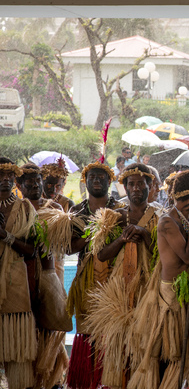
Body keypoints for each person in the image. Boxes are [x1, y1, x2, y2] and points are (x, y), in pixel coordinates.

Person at [128, 169, 189, 388]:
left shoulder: (187, 219)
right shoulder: (168, 222)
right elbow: (188, 257)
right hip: (171, 294)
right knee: (171, 350)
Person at [85, 163, 161, 388]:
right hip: (120, 287)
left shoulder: (160, 217)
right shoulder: (115, 216)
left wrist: (144, 233)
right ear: (125, 188)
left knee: (145, 340)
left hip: (148, 287)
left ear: (150, 186)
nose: (136, 188)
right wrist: (122, 239)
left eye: (141, 184)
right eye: (131, 184)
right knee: (120, 343)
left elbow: (161, 255)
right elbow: (100, 255)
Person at [65, 160, 120, 389]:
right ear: (85, 182)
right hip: (86, 277)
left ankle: (112, 379)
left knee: (114, 327)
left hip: (116, 277)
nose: (96, 180)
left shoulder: (119, 209)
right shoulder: (77, 211)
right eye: (92, 177)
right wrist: (92, 232)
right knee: (88, 329)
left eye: (101, 177)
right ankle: (88, 380)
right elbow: (68, 248)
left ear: (109, 181)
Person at [17, 163, 71, 389]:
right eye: (30, 184)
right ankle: (27, 379)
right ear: (19, 186)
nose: (36, 187)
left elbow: (63, 244)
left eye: (38, 182)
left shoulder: (54, 207)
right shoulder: (15, 209)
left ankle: (52, 377)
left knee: (51, 326)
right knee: (27, 329)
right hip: (21, 276)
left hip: (50, 274)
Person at [0, 159, 37, 389]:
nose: (4, 180)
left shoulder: (25, 208)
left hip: (15, 280)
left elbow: (32, 250)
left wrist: (5, 236)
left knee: (17, 351)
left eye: (8, 175)